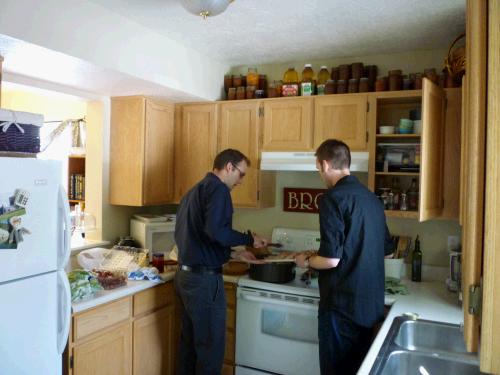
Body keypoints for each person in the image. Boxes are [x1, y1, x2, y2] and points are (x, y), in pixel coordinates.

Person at [295, 139, 393, 375]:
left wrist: (306, 261)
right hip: (369, 307)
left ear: (325, 164)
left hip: (341, 309)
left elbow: (330, 260)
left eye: (318, 168)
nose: (320, 173)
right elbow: (388, 252)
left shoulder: (332, 198)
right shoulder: (372, 200)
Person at [174, 148, 268, 375]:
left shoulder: (193, 192)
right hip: (204, 283)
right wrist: (249, 239)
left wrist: (234, 255)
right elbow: (217, 231)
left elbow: (202, 238)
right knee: (210, 351)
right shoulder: (219, 190)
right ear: (229, 167)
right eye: (241, 174)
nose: (241, 181)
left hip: (185, 278)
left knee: (190, 347)